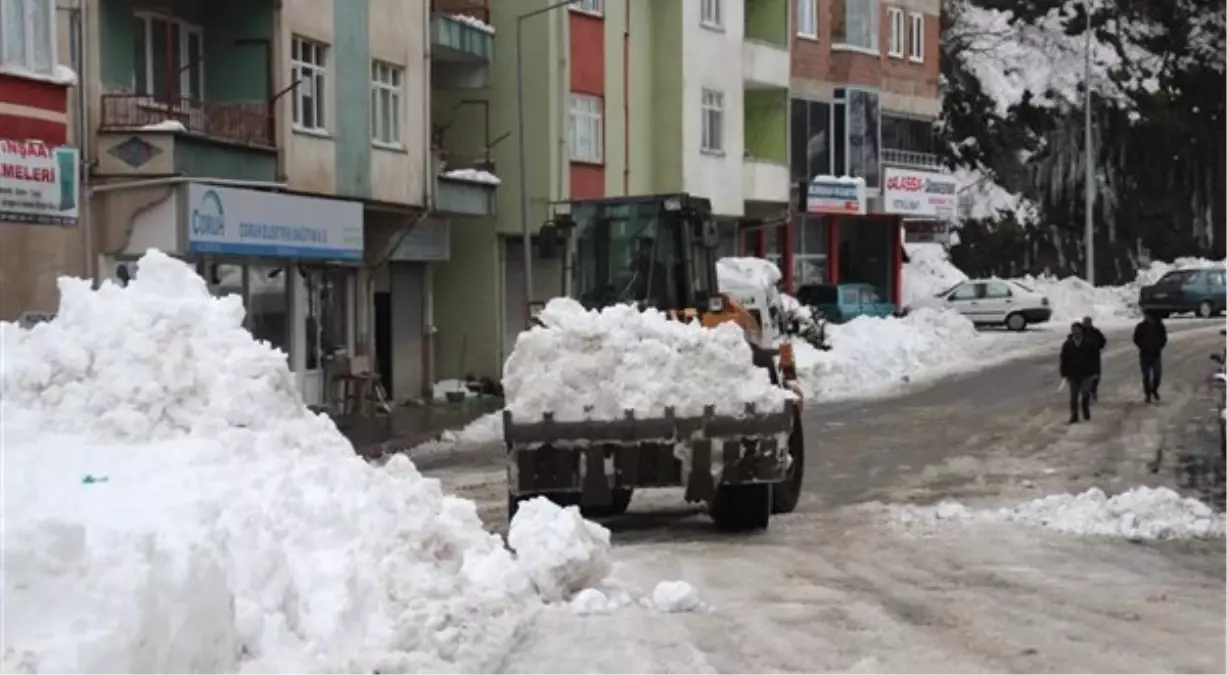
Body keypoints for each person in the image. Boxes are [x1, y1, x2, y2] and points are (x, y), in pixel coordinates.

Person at [1060, 322, 1098, 423]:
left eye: (1077, 330)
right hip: (1072, 374)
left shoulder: (1089, 343)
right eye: (1074, 330)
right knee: (1073, 396)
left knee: (1085, 393)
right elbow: (1064, 359)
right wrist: (1064, 373)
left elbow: (1095, 358)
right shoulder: (1067, 344)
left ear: (1081, 331)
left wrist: (1095, 372)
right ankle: (1074, 415)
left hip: (1086, 373)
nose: (1076, 332)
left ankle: (1085, 411)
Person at [1133, 311, 1168, 403]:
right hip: (1145, 354)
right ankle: (1148, 394)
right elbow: (1136, 339)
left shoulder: (1159, 327)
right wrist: (1142, 346)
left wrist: (1159, 346)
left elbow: (1164, 338)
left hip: (1156, 354)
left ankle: (1154, 389)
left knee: (1157, 374)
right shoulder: (1141, 327)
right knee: (1146, 376)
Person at [1082, 316, 1107, 401]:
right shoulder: (1080, 332)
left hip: (1094, 357)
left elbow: (1103, 341)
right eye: (1085, 322)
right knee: (1084, 376)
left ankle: (1093, 390)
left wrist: (1097, 348)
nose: (1086, 324)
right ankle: (1086, 392)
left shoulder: (1096, 332)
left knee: (1096, 376)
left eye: (1088, 322)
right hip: (1083, 358)